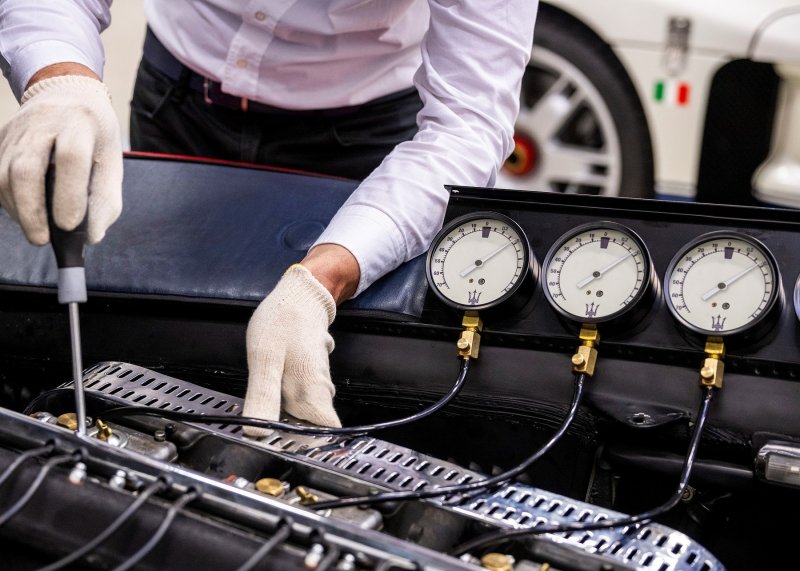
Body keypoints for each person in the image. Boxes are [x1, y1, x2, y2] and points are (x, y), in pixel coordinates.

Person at [0, 1, 537, 432]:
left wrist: (323, 279)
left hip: (362, 143)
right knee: (151, 337)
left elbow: (467, 123)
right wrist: (60, 80)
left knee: (312, 378)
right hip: (179, 94)